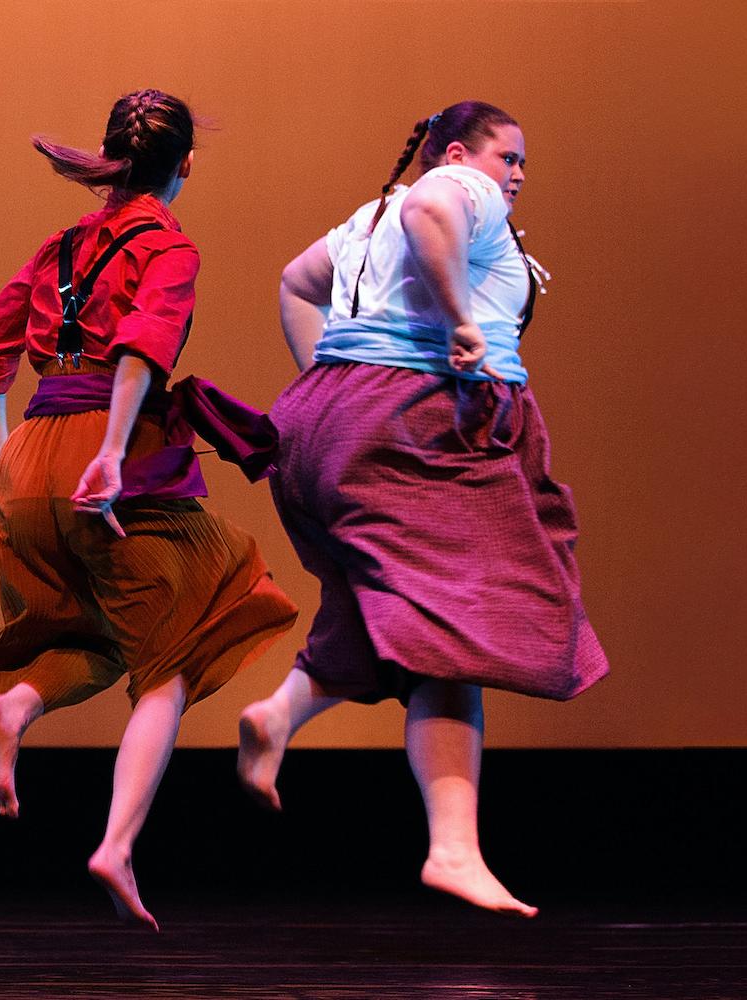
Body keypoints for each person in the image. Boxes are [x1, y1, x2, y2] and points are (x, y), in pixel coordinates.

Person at [235, 101, 607, 918]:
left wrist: (326, 379)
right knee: (470, 619)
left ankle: (285, 716)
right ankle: (451, 848)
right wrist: (462, 320)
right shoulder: (450, 189)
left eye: (519, 164)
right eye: (505, 155)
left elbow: (299, 282)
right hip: (418, 421)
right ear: (453, 151)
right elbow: (433, 205)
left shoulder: (364, 223)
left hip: (329, 424)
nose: (514, 174)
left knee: (426, 626)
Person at [0, 90, 299, 930]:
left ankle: (15, 706)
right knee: (184, 644)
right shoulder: (169, 246)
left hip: (29, 455)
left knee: (94, 637)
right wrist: (108, 451)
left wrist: (3, 468)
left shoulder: (59, 246)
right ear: (183, 165)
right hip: (109, 454)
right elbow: (143, 346)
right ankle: (117, 844)